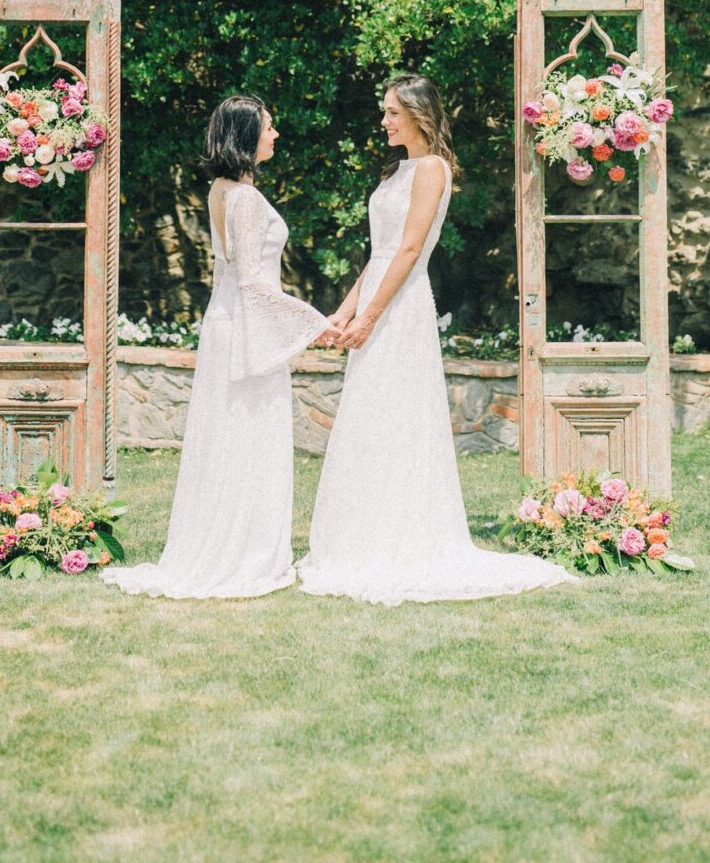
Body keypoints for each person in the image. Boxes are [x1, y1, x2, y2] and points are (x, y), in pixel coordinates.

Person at [297, 73, 575, 606]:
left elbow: (407, 253)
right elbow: (378, 255)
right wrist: (341, 312)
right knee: (370, 417)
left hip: (401, 312)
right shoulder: (397, 170)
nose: (383, 121)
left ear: (420, 115)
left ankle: (404, 538)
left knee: (400, 418)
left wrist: (371, 318)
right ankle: (363, 535)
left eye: (392, 113)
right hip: (381, 299)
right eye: (384, 111)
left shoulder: (431, 169)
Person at [103, 94, 328, 599]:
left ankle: (235, 540)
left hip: (227, 322)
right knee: (248, 437)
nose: (275, 136)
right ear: (247, 136)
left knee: (230, 437)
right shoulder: (243, 197)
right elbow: (251, 279)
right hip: (245, 327)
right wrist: (315, 321)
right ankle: (244, 553)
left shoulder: (220, 189)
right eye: (269, 128)